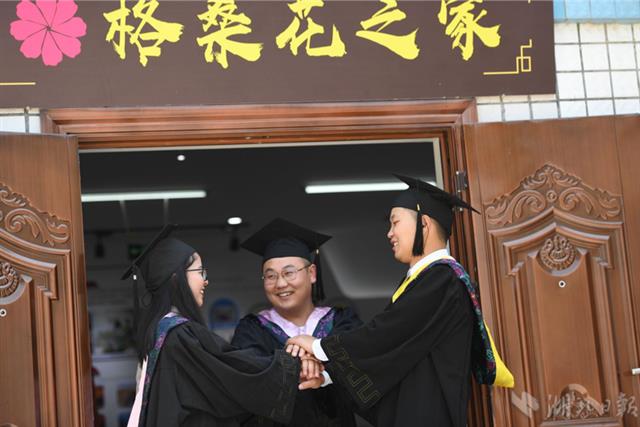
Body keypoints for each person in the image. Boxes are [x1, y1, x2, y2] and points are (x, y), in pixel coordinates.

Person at [286, 175, 514, 427]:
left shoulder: (443, 279)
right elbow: (394, 357)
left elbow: (386, 335)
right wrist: (328, 377)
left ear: (424, 224)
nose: (389, 233)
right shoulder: (424, 281)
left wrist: (319, 346)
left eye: (395, 223)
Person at [122, 224, 310, 427]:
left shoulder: (160, 332)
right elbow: (231, 371)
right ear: (176, 277)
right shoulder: (180, 334)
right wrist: (294, 362)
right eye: (200, 271)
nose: (206, 281)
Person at [231, 218, 363, 427]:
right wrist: (300, 364)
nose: (280, 283)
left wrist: (318, 358)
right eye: (270, 276)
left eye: (289, 273)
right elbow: (249, 377)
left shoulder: (342, 320)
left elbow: (363, 364)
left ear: (312, 273)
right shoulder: (251, 330)